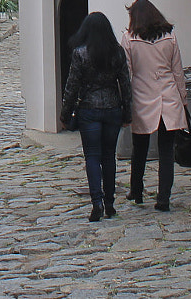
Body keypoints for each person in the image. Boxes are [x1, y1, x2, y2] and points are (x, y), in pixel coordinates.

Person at [60, 12, 132, 222]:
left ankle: (97, 202)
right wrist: (128, 113)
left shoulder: (80, 54)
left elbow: (72, 86)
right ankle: (110, 202)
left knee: (92, 156)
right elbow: (125, 86)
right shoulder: (117, 53)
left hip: (89, 110)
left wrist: (65, 113)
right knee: (109, 156)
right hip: (112, 108)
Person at [121, 0, 187, 212]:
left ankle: (137, 190)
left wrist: (125, 102)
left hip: (142, 97)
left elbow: (127, 74)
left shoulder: (129, 39)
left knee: (139, 149)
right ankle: (163, 198)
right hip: (168, 97)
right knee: (166, 151)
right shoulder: (170, 37)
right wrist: (183, 99)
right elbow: (177, 71)